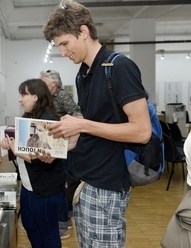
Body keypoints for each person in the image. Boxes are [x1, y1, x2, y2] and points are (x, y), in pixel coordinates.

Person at [42, 1, 152, 247]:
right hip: (85, 182)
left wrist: (81, 125)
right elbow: (94, 129)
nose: (62, 52)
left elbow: (142, 132)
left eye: (65, 44)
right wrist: (57, 148)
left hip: (107, 186)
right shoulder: (83, 74)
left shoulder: (119, 67)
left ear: (83, 32)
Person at [1, 78, 66, 248]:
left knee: (48, 232)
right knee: (30, 226)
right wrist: (10, 143)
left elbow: (41, 159)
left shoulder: (48, 120)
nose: (19, 99)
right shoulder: (29, 117)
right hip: (29, 186)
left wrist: (15, 150)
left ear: (36, 96)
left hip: (45, 188)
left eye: (24, 94)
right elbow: (26, 146)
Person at [40, 69, 82, 239]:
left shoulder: (62, 96)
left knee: (63, 183)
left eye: (43, 83)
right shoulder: (49, 98)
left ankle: (63, 225)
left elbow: (78, 114)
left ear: (53, 84)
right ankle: (67, 218)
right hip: (56, 144)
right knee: (64, 182)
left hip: (64, 145)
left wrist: (66, 128)